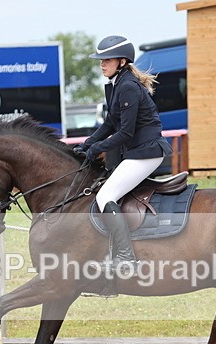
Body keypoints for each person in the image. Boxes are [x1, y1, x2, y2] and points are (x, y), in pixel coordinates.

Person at [75, 35, 172, 275]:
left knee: (105, 195)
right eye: (100, 60)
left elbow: (126, 132)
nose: (101, 64)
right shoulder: (118, 84)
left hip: (146, 152)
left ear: (121, 61)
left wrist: (98, 149)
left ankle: (126, 258)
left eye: (106, 60)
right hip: (137, 152)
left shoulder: (127, 86)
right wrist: (87, 143)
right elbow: (110, 123)